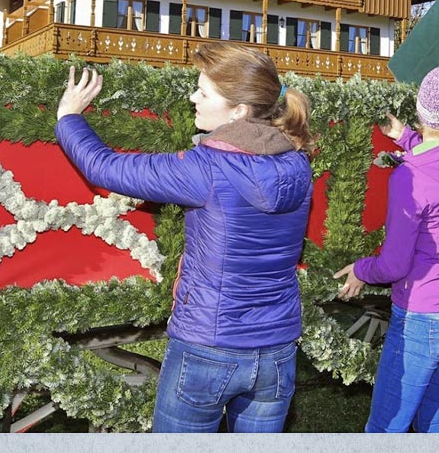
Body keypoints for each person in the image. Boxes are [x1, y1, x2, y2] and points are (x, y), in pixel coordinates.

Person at [54, 42, 314, 433]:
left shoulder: (206, 168)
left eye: (203, 92)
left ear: (239, 111)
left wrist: (68, 117)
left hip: (209, 346)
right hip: (277, 348)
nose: (193, 97)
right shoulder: (297, 162)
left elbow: (104, 167)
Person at [333, 65, 439, 433]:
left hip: (423, 318)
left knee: (386, 427)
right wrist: (405, 137)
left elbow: (394, 264)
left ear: (419, 108)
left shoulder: (410, 178)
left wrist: (360, 270)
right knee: (433, 418)